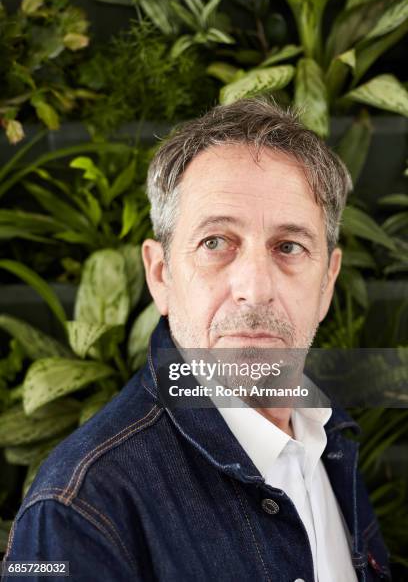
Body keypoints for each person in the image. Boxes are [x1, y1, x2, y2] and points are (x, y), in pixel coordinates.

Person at [2, 98, 391, 582]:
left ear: (327, 282)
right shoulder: (75, 508)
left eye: (289, 247)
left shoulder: (331, 439)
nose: (255, 287)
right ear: (161, 274)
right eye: (215, 242)